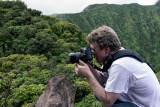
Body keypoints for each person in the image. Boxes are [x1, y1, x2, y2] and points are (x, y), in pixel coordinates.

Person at [74, 25, 160, 107]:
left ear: (107, 49)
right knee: (99, 92)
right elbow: (102, 79)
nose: (93, 53)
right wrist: (89, 66)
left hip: (146, 105)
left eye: (94, 50)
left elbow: (108, 102)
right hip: (139, 99)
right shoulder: (114, 56)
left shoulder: (120, 65)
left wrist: (88, 75)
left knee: (108, 102)